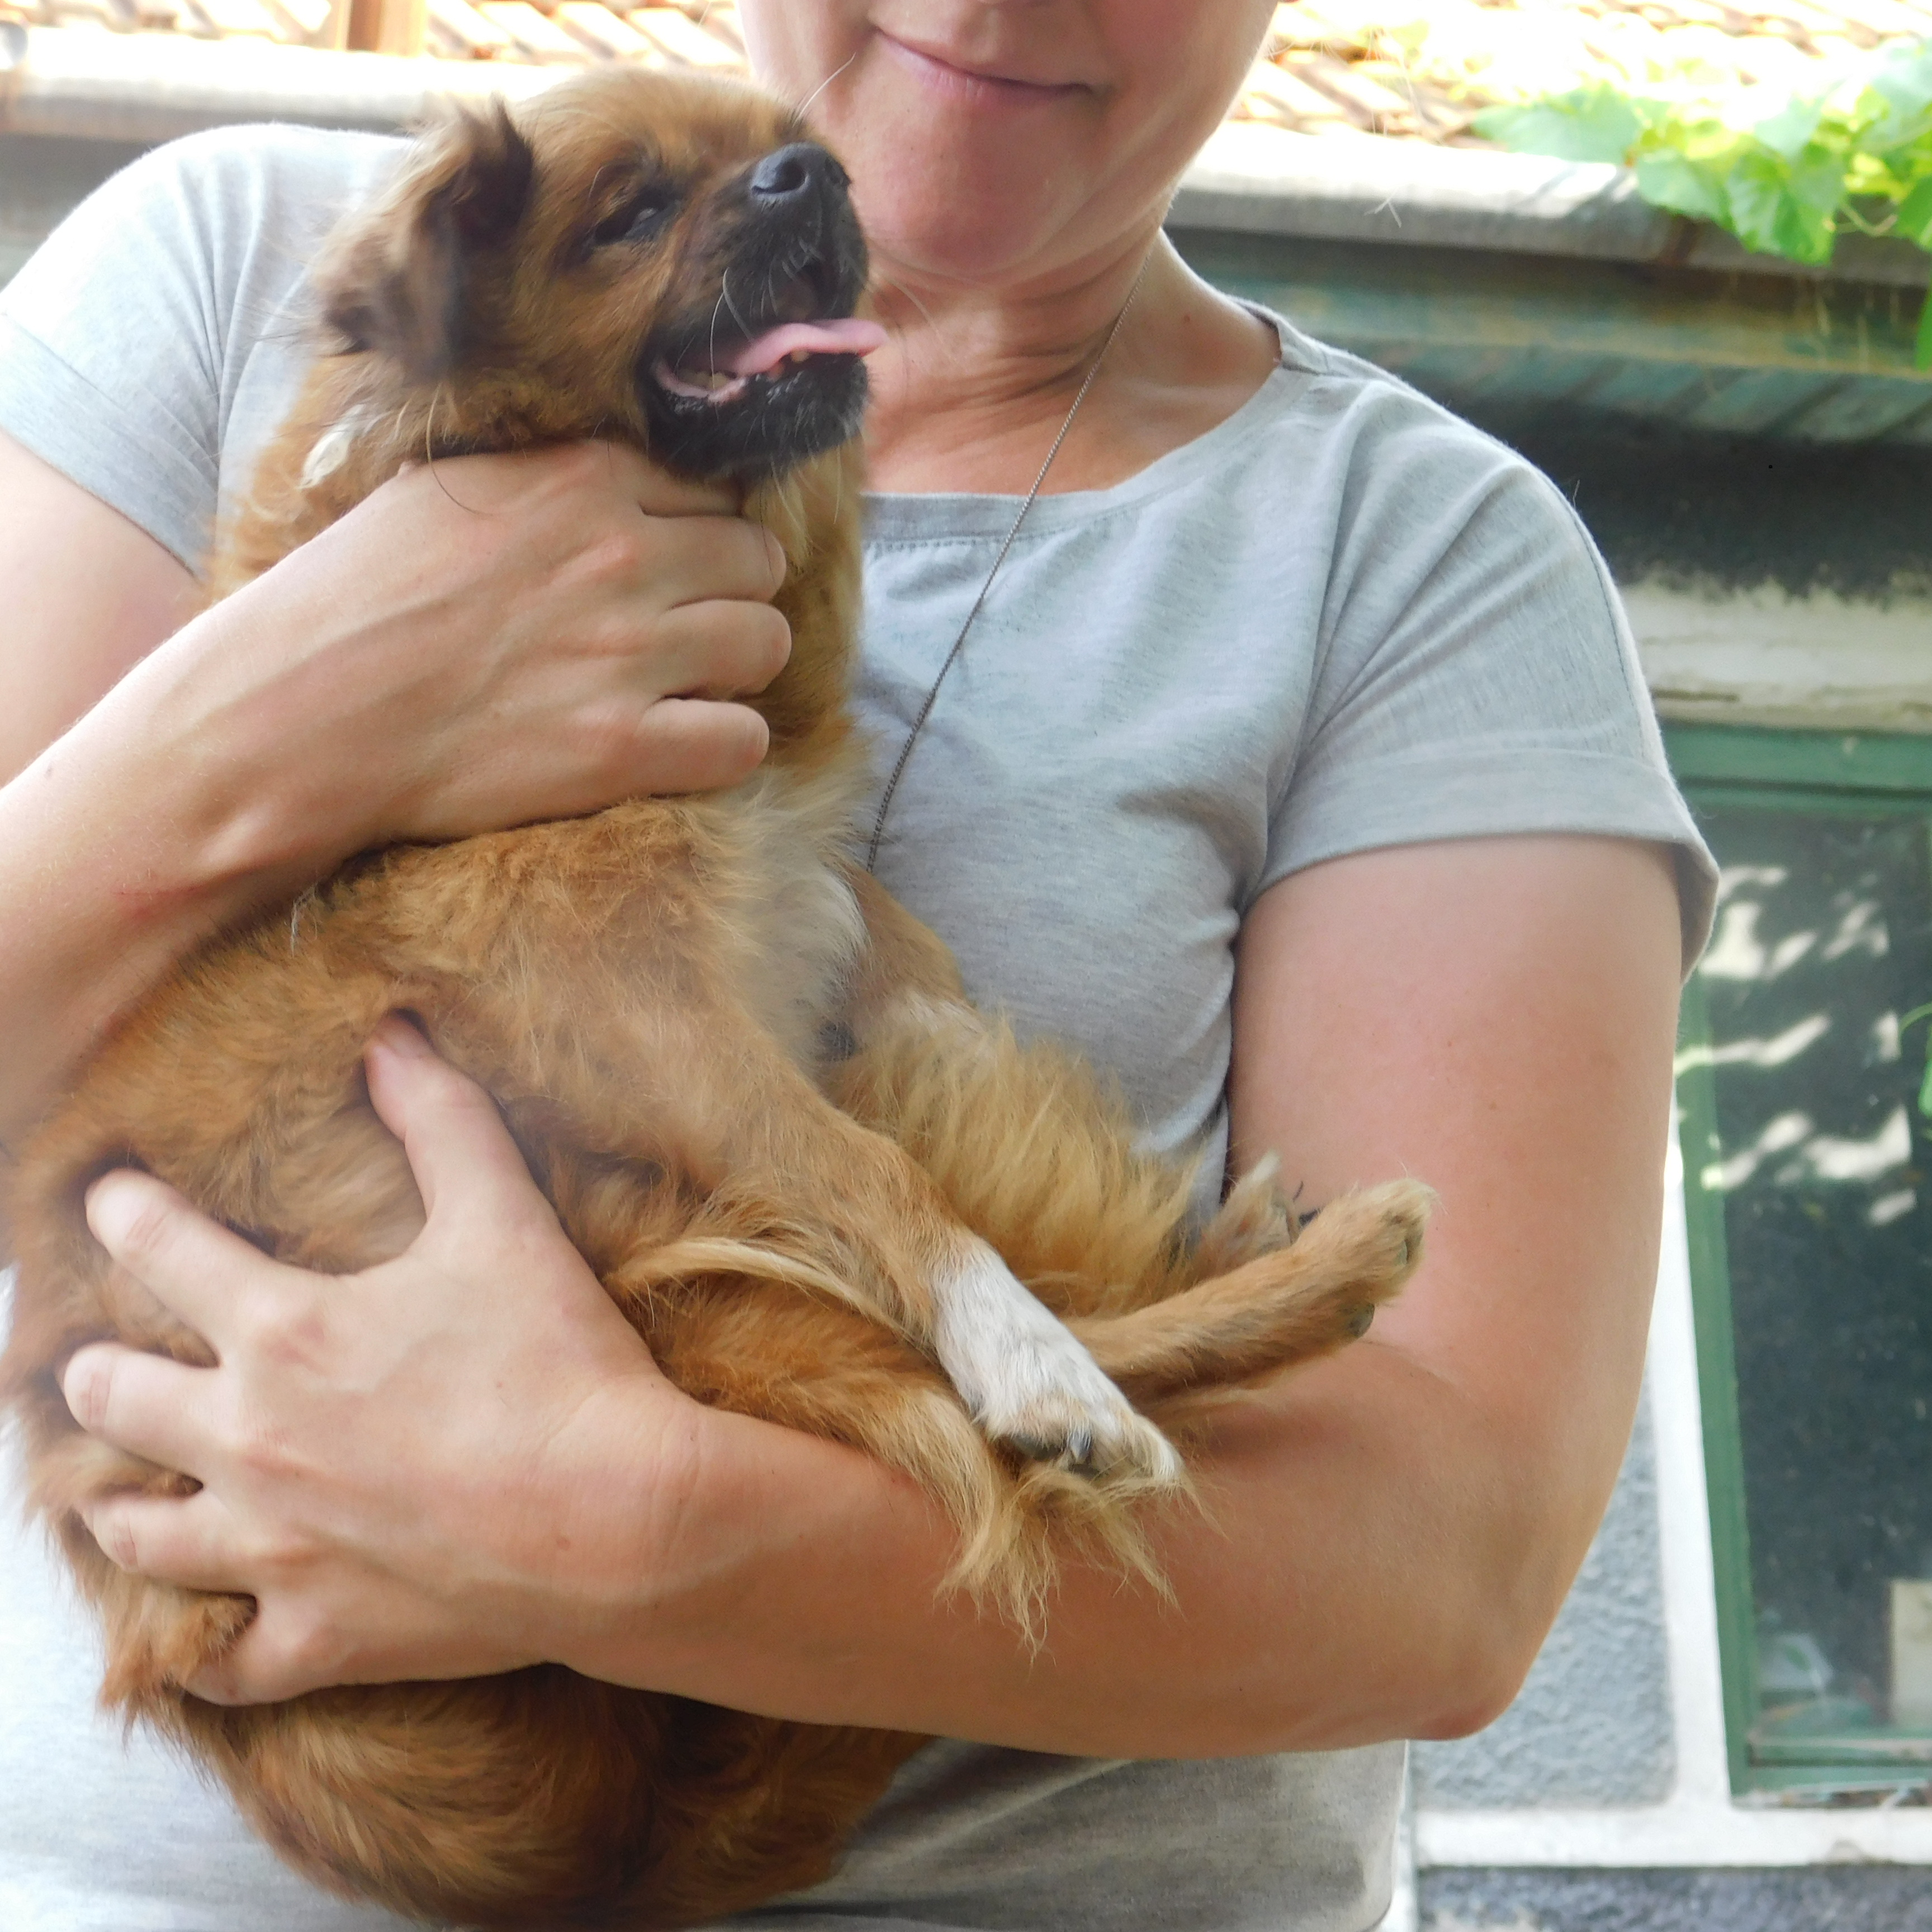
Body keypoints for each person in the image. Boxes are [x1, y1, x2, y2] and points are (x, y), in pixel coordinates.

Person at [0, 4, 1712, 1927]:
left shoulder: (1422, 559)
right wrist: (281, 717)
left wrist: (619, 1523)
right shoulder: (247, 271)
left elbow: (1446, 1579)